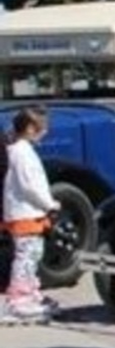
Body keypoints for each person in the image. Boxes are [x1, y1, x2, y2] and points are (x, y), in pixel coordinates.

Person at [4, 107, 61, 323]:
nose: (45, 132)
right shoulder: (22, 152)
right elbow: (30, 185)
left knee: (33, 254)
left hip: (28, 212)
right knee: (26, 256)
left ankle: (29, 292)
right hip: (25, 212)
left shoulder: (20, 150)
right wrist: (49, 204)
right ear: (30, 128)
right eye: (42, 128)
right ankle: (19, 300)